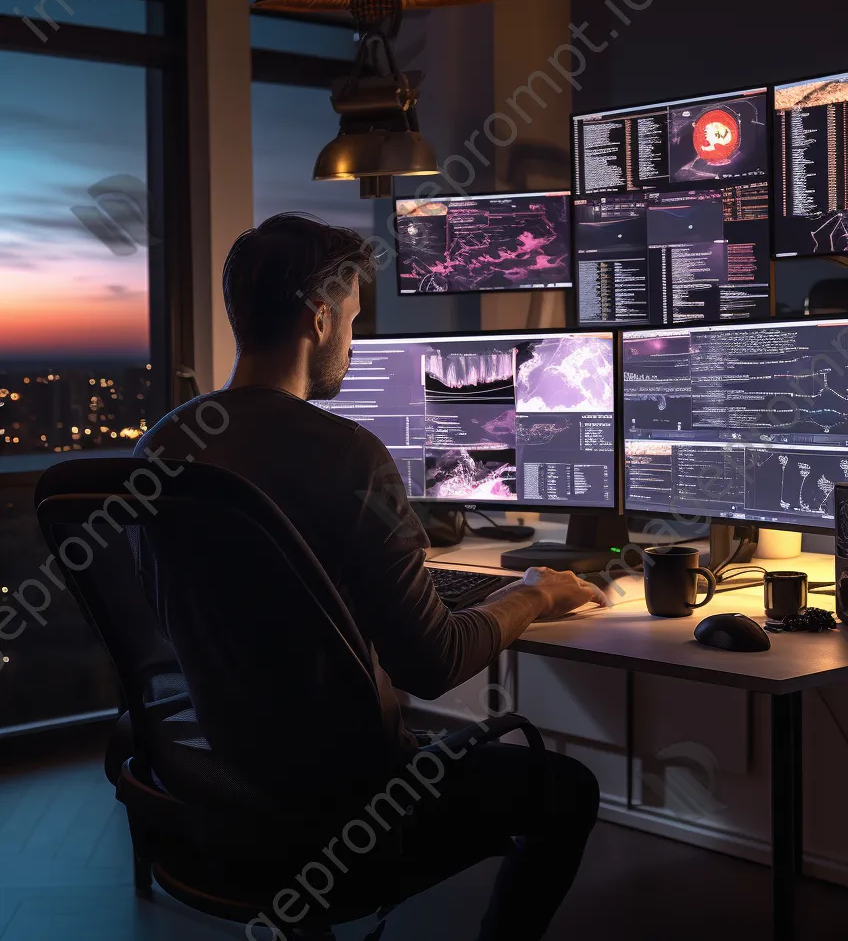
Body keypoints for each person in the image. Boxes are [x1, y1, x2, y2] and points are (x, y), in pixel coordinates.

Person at [135, 212, 600, 940]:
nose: (353, 343)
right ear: (319, 319)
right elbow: (435, 660)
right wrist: (536, 592)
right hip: (345, 817)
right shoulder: (348, 455)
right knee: (566, 788)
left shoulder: (165, 441)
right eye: (352, 322)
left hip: (209, 794)